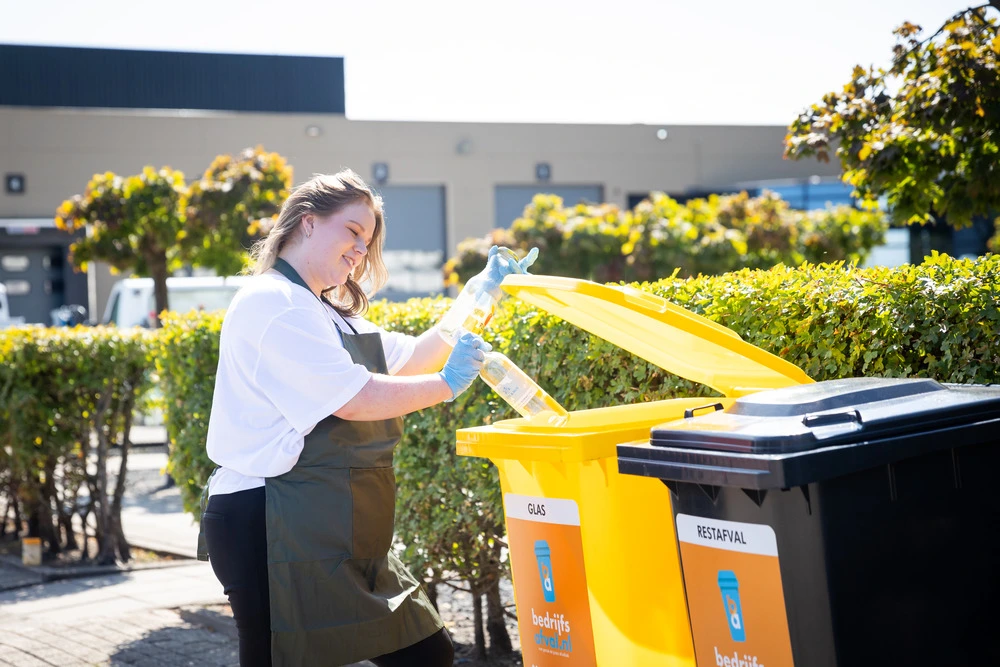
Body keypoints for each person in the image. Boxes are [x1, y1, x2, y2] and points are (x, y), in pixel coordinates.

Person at [198, 169, 537, 667]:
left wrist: (481, 292)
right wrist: (446, 386)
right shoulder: (273, 303)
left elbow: (417, 355)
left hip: (323, 520)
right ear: (308, 223)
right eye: (352, 232)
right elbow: (353, 398)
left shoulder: (325, 311)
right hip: (267, 519)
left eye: (369, 240)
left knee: (426, 654)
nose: (361, 249)